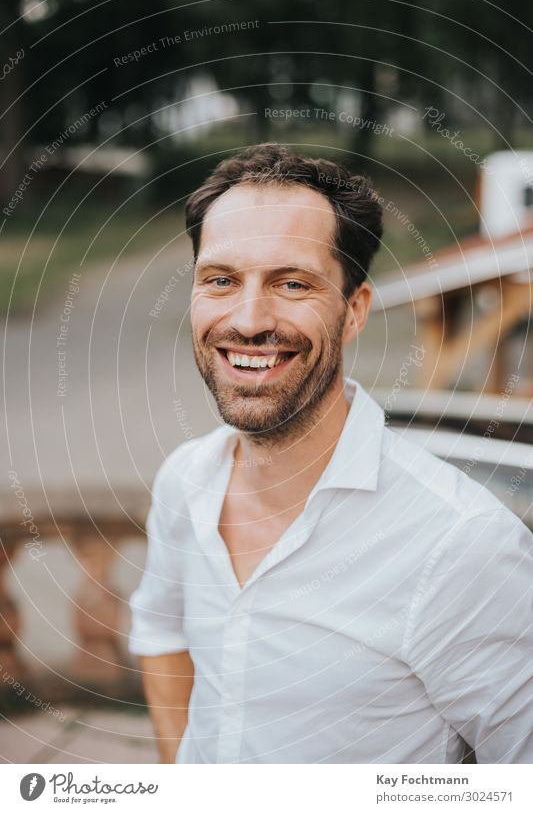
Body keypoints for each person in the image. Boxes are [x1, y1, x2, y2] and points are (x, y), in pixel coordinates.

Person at [128, 143, 533, 764]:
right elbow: (160, 634)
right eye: (220, 280)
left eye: (292, 283)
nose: (248, 318)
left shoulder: (461, 543)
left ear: (353, 311)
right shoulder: (185, 480)